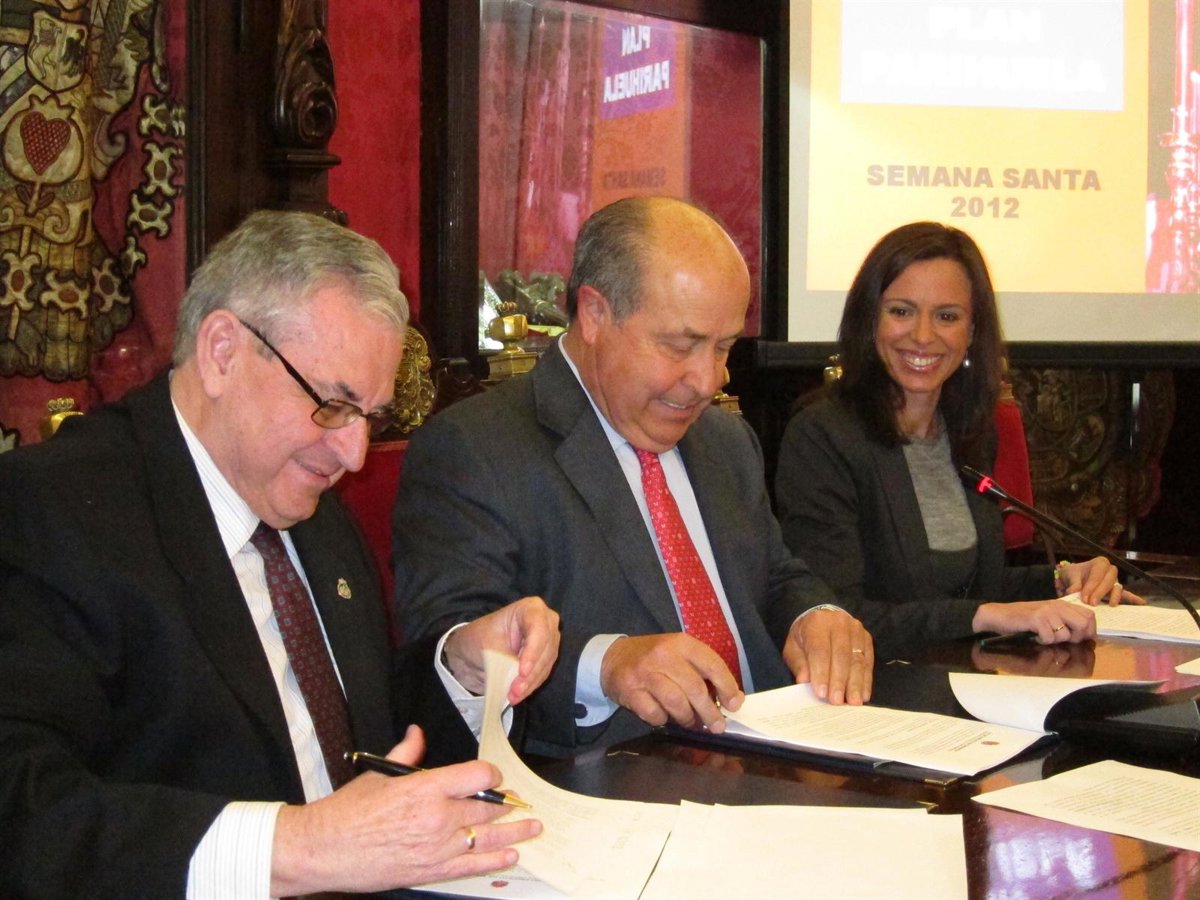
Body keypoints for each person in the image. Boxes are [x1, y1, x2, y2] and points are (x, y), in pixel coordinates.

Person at [0, 210, 561, 898]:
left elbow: (362, 734)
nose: (354, 454)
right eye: (333, 405)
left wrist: (463, 669)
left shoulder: (307, 507)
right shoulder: (51, 512)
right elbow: (24, 810)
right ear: (222, 352)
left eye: (370, 417)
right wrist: (299, 846)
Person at [393, 196, 872, 760]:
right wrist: (607, 665)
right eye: (680, 345)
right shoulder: (476, 449)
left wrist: (816, 615)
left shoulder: (725, 439)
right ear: (595, 315)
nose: (707, 380)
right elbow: (453, 659)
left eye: (723, 348)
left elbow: (772, 576)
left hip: (781, 753)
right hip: (616, 776)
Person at [774, 221, 1144, 660]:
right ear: (869, 320)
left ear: (971, 333)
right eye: (901, 311)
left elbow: (971, 587)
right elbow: (835, 616)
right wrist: (984, 616)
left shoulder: (967, 431)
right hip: (873, 686)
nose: (923, 335)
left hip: (962, 677)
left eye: (946, 316)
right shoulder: (823, 437)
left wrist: (1062, 580)